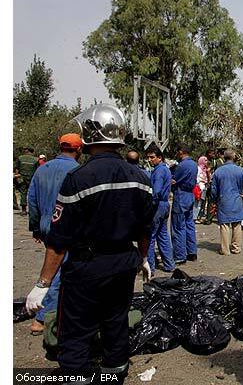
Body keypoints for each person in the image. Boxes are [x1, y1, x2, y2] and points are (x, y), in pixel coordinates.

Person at [24, 104, 154, 383]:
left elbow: (59, 241)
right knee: (116, 323)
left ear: (89, 135)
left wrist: (43, 284)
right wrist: (143, 258)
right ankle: (114, 375)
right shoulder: (141, 178)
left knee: (76, 329)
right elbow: (146, 227)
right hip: (123, 264)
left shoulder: (78, 178)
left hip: (87, 267)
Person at [27, 133, 83, 335]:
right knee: (59, 272)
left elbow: (32, 200)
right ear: (79, 150)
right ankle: (43, 318)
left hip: (46, 228)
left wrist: (35, 227)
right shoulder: (77, 171)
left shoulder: (42, 170)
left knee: (56, 269)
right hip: (68, 230)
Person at [210, 149, 243, 255]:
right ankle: (236, 248)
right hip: (237, 199)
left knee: (224, 225)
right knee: (237, 224)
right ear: (234, 157)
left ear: (224, 157)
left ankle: (225, 250)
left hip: (223, 199)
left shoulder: (218, 171)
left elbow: (214, 189)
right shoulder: (240, 170)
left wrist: (214, 201)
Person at [146, 146, 175, 274]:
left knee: (150, 237)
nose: (149, 160)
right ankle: (169, 264)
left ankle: (150, 267)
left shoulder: (158, 171)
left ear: (159, 157)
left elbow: (155, 191)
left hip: (157, 205)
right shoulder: (165, 170)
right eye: (148, 157)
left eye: (152, 157)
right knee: (163, 235)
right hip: (164, 205)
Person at [171, 144, 198, 264]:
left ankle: (180, 255)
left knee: (178, 227)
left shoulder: (182, 165)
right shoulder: (193, 164)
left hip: (181, 195)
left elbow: (174, 180)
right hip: (190, 195)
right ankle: (192, 252)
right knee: (189, 224)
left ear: (181, 152)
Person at [16, 146, 39, 215]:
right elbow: (37, 171)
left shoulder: (20, 158)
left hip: (21, 178)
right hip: (32, 179)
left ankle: (23, 210)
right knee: (33, 194)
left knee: (23, 193)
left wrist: (17, 178)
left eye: (25, 149)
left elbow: (17, 169)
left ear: (27, 150)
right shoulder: (36, 159)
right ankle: (33, 210)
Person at [193, 155, 209, 224]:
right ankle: (194, 218)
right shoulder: (198, 169)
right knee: (197, 203)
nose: (206, 162)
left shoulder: (205, 169)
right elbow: (197, 179)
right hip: (199, 188)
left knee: (201, 203)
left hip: (203, 188)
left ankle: (198, 216)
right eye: (205, 160)